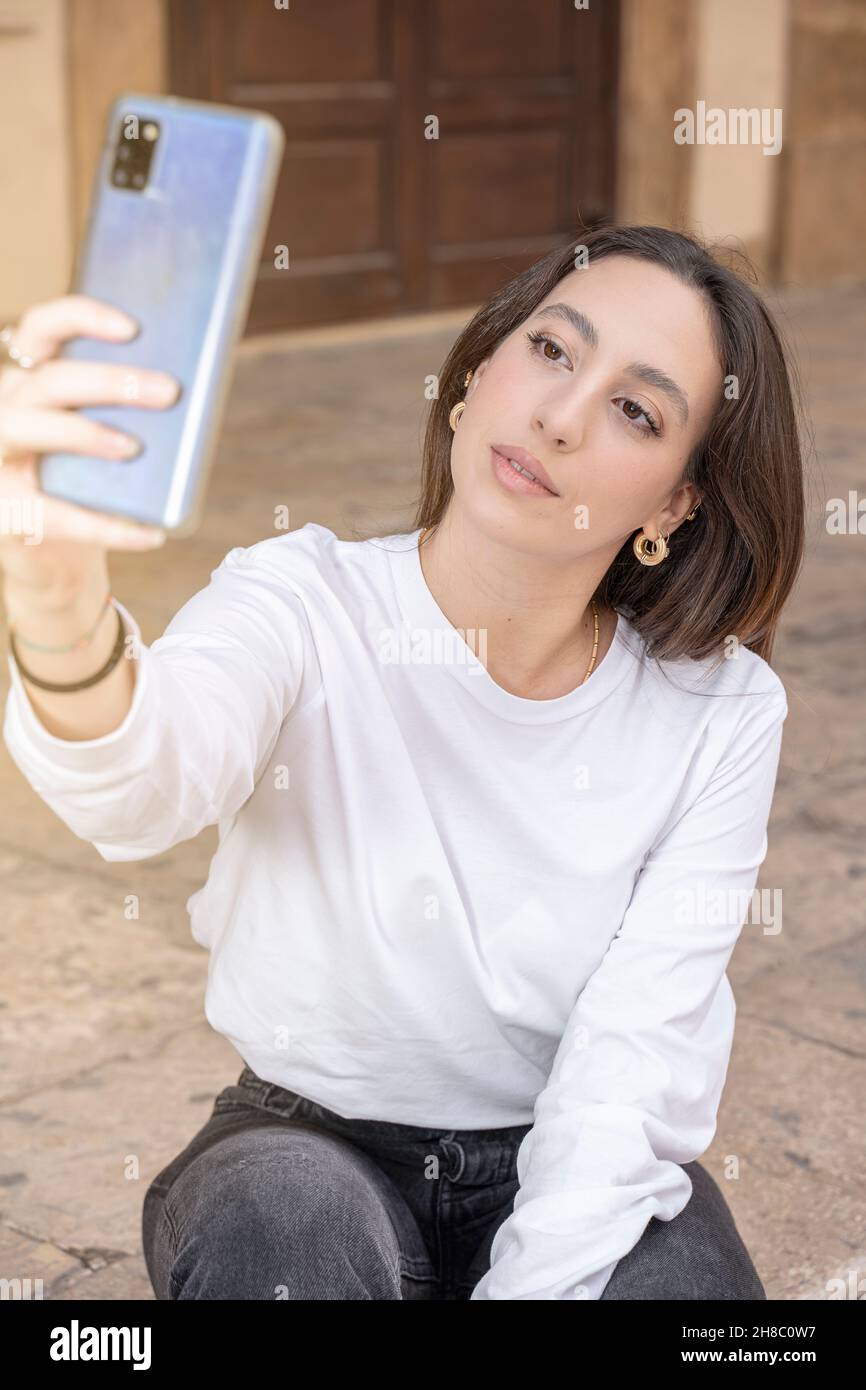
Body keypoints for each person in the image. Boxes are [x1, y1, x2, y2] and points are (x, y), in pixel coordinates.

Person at [0, 223, 805, 1300]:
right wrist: (54, 601)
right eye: (553, 350)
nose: (557, 417)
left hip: (566, 1152)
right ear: (475, 374)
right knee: (287, 1227)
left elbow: (631, 1065)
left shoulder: (718, 712)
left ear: (672, 502)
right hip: (303, 1148)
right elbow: (142, 787)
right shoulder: (300, 599)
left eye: (634, 410)